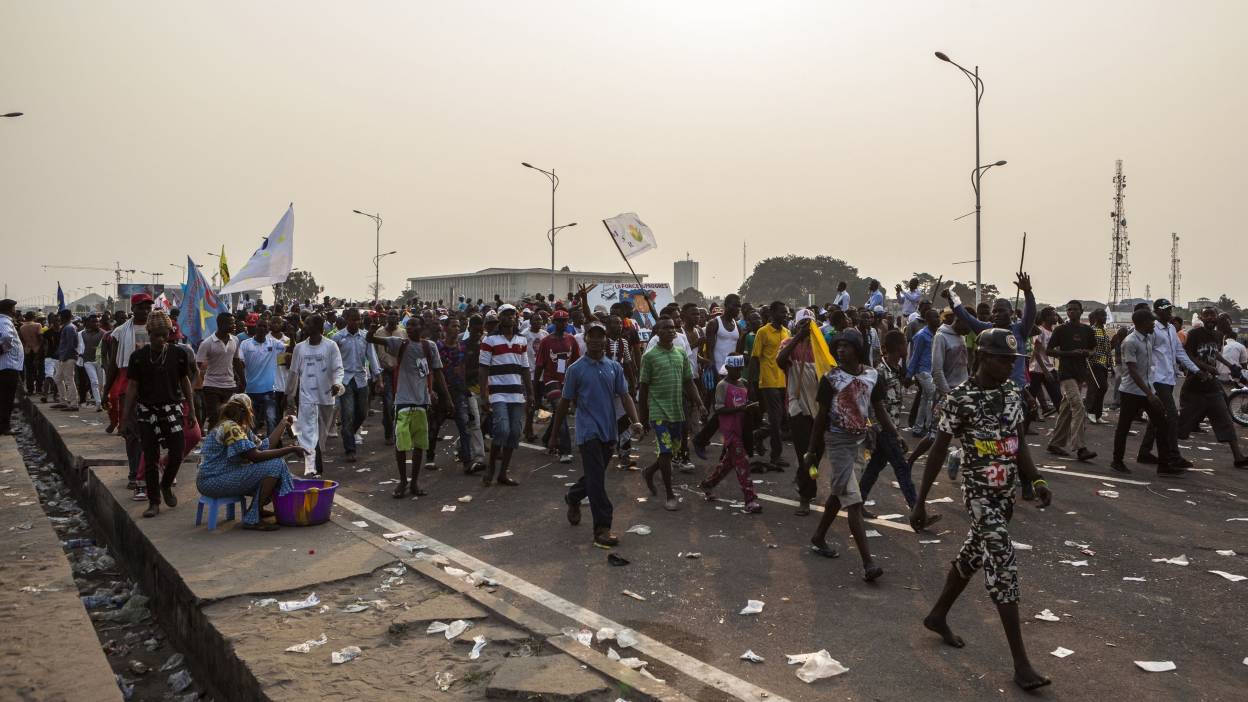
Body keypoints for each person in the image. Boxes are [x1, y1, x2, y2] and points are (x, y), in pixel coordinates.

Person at [909, 328, 1053, 692]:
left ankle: (938, 615)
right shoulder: (960, 398)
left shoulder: (1011, 393)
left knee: (972, 556)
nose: (1009, 366)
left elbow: (1018, 443)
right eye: (1002, 359)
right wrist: (920, 500)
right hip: (979, 497)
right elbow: (939, 449)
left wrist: (1035, 481)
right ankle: (1021, 664)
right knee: (1002, 565)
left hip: (1004, 498)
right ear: (983, 357)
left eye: (1012, 360)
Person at [549, 322, 645, 548]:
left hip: (608, 431)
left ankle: (573, 496)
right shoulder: (576, 369)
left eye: (600, 337)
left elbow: (625, 395)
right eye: (591, 337)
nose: (596, 341)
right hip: (587, 431)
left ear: (605, 341)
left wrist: (636, 420)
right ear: (586, 341)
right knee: (598, 482)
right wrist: (554, 434)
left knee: (594, 477)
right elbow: (564, 403)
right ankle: (602, 528)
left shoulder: (614, 367)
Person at [803, 330, 885, 582]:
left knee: (840, 494)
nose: (840, 351)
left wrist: (893, 434)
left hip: (859, 443)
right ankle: (868, 564)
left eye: (846, 346)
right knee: (854, 501)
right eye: (837, 346)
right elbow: (820, 417)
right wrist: (811, 451)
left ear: (857, 349)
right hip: (837, 443)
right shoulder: (831, 378)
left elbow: (879, 408)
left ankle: (818, 537)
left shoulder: (872, 375)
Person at [120, 311, 197, 518]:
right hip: (147, 411)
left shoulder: (178, 354)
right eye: (157, 335)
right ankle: (154, 502)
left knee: (178, 450)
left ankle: (166, 485)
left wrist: (192, 410)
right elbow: (132, 388)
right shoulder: (138, 357)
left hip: (172, 408)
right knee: (151, 456)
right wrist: (124, 418)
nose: (161, 339)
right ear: (149, 334)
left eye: (165, 335)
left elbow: (185, 382)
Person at [367, 316, 452, 497]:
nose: (411, 328)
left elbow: (437, 373)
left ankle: (414, 482)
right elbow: (372, 339)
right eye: (409, 325)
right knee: (401, 443)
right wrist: (371, 330)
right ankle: (403, 481)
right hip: (403, 401)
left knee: (420, 444)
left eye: (415, 325)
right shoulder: (399, 344)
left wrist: (447, 398)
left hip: (422, 401)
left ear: (422, 328)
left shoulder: (430, 347)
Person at [196, 394, 304, 530]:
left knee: (274, 464)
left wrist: (282, 424)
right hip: (212, 480)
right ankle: (253, 518)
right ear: (247, 411)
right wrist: (291, 449)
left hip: (216, 477)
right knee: (275, 465)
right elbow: (255, 456)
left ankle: (256, 510)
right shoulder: (230, 427)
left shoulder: (239, 427)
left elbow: (264, 446)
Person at [859, 329, 932, 519]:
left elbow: (905, 384)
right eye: (904, 344)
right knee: (902, 467)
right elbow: (879, 407)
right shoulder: (880, 372)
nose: (907, 347)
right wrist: (895, 434)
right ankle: (917, 511)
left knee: (875, 466)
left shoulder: (896, 368)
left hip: (891, 425)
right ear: (899, 347)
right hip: (884, 428)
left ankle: (857, 502)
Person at [639, 318, 706, 511]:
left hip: (677, 411)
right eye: (665, 328)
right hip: (658, 412)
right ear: (657, 332)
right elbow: (643, 390)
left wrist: (700, 403)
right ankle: (669, 494)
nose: (670, 330)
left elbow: (689, 382)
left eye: (673, 328)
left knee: (672, 451)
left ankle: (649, 472)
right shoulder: (649, 357)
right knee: (666, 452)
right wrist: (642, 420)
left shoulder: (680, 354)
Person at [777, 308, 834, 515]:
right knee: (805, 452)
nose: (808, 328)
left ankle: (803, 478)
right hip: (797, 404)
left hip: (818, 407)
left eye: (811, 325)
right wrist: (798, 338)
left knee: (817, 451)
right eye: (803, 324)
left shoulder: (820, 348)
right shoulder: (788, 345)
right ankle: (805, 496)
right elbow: (780, 361)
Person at [1176, 307, 1248, 467]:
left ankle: (1238, 457)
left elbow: (1215, 353)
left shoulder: (1218, 335)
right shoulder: (1194, 334)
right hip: (1194, 385)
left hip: (1212, 386)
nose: (1210, 318)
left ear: (1216, 318)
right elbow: (1188, 355)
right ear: (1202, 317)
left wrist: (1231, 366)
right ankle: (1171, 454)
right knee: (1182, 425)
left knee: (1225, 420)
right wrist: (1206, 368)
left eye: (1212, 315)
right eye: (1206, 315)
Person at [1136, 299, 1199, 470]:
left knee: (1157, 417)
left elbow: (1179, 352)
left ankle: (1144, 452)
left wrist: (1195, 369)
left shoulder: (1171, 328)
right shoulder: (1153, 329)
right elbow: (1144, 352)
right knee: (1171, 416)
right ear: (1157, 311)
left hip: (1169, 378)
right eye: (1165, 309)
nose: (1169, 312)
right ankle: (1173, 455)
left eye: (1170, 308)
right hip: (1157, 379)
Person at [103, 293, 155, 498]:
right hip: (128, 384)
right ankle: (134, 474)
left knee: (153, 432)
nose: (145, 311)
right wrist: (107, 389)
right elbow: (114, 364)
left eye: (148, 307)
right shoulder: (120, 332)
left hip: (154, 384)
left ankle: (151, 473)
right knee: (132, 432)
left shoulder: (158, 328)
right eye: (141, 307)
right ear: (133, 309)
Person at [697, 355, 761, 512]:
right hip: (730, 429)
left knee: (729, 464)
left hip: (742, 428)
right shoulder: (722, 386)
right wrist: (741, 409)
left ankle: (708, 484)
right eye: (735, 369)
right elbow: (719, 408)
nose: (738, 372)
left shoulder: (743, 384)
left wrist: (750, 407)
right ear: (728, 369)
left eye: (740, 369)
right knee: (743, 463)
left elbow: (745, 403)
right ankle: (750, 499)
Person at [479, 304, 533, 486]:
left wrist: (530, 392)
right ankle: (492, 467)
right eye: (506, 315)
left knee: (515, 433)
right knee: (502, 429)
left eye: (513, 314)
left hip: (516, 392)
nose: (510, 317)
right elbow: (483, 368)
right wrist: (484, 394)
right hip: (498, 392)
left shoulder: (521, 340)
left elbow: (525, 368)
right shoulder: (490, 340)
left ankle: (503, 472)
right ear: (500, 318)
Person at [1110, 308, 1168, 473]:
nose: (1154, 325)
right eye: (1151, 321)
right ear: (1143, 323)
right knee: (1124, 427)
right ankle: (1117, 461)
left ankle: (1164, 464)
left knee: (1162, 424)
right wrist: (1150, 395)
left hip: (1146, 390)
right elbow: (1133, 370)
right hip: (1131, 392)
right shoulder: (1130, 342)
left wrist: (1150, 391)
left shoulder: (1147, 339)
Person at [287, 314, 345, 476]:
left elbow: (338, 368)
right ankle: (312, 468)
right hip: (306, 397)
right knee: (308, 433)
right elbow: (293, 373)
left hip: (326, 397)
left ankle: (316, 461)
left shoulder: (331, 346)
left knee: (320, 435)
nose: (304, 326)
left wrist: (337, 384)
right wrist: (289, 395)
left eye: (307, 324)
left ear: (318, 328)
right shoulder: (299, 348)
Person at [1045, 300, 1097, 461]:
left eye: (1075, 309)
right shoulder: (1061, 330)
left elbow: (1093, 349)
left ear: (1082, 311)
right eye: (1069, 310)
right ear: (1066, 312)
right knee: (1079, 406)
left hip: (1080, 373)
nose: (1072, 312)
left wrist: (1087, 353)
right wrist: (1069, 354)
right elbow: (1049, 350)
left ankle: (1055, 443)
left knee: (1067, 408)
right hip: (1066, 374)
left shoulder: (1087, 330)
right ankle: (1080, 448)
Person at [333, 308, 380, 463]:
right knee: (347, 414)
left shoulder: (366, 336)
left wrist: (378, 377)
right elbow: (333, 361)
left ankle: (348, 432)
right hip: (344, 381)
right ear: (346, 320)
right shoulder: (338, 337)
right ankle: (350, 449)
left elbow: (372, 358)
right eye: (353, 319)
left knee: (362, 413)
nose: (356, 322)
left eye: (358, 319)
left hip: (361, 378)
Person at [749, 301, 791, 470]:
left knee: (781, 419)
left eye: (787, 313)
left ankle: (758, 435)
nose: (786, 315)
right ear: (772, 314)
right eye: (782, 312)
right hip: (768, 381)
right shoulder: (763, 332)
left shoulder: (787, 332)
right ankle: (776, 456)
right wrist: (751, 384)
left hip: (783, 381)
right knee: (775, 418)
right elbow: (754, 358)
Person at [535, 309, 580, 463]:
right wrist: (536, 390)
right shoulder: (546, 341)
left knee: (558, 412)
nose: (562, 323)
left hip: (566, 381)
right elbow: (539, 365)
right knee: (561, 408)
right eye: (559, 321)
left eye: (564, 320)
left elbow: (576, 363)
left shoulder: (571, 340)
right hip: (551, 380)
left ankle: (548, 437)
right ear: (553, 322)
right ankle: (565, 450)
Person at [237, 316, 285, 435]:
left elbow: (289, 348)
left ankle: (272, 449)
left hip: (269, 390)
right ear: (255, 327)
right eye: (260, 325)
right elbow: (239, 363)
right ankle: (253, 448)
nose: (262, 328)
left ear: (268, 329)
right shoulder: (245, 344)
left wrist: (292, 335)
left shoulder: (274, 343)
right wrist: (241, 381)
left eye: (265, 326)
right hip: (251, 390)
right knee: (252, 422)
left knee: (271, 420)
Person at [195, 312, 242, 429]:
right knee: (215, 417)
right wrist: (196, 387)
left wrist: (242, 379)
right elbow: (197, 365)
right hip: (211, 386)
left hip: (230, 385)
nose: (234, 326)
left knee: (230, 418)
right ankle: (212, 444)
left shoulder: (235, 340)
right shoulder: (207, 343)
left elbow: (236, 361)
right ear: (221, 324)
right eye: (232, 323)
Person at [373, 310, 405, 446]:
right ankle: (388, 432)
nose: (393, 317)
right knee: (387, 402)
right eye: (390, 315)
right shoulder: (379, 333)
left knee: (397, 404)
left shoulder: (403, 332)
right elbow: (373, 353)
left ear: (398, 318)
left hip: (399, 372)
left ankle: (394, 426)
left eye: (395, 315)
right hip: (384, 371)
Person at [906, 308, 941, 436]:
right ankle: (929, 427)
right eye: (935, 317)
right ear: (927, 320)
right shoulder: (921, 335)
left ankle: (918, 428)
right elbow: (915, 356)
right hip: (922, 371)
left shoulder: (937, 333)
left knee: (925, 399)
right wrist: (909, 374)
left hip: (931, 371)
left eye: (938, 316)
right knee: (933, 396)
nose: (938, 319)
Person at [1084, 309, 1112, 424]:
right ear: (1096, 317)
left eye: (1105, 315)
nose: (1105, 318)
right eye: (1103, 316)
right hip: (1094, 363)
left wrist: (1110, 362)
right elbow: (1087, 347)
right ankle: (1090, 411)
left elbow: (1107, 349)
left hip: (1104, 364)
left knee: (1102, 388)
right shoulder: (1092, 330)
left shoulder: (1104, 331)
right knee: (1097, 387)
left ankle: (1097, 414)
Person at [0, 300, 22, 436]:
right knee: (6, 398)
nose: (15, 310)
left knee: (4, 397)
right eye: (14, 308)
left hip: (7, 365)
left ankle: (3, 425)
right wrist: (3, 349)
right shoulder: (4, 321)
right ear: (9, 309)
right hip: (9, 366)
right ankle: (4, 427)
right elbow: (7, 337)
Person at [54, 309, 81, 411]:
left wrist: (64, 357)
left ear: (64, 317)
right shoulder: (68, 327)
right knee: (58, 379)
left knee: (69, 380)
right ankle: (63, 401)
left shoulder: (69, 328)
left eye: (60, 316)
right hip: (64, 357)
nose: (58, 318)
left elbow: (71, 345)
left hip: (68, 357)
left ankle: (74, 404)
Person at [79, 315, 104, 410]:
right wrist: (81, 354)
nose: (96, 323)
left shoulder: (103, 334)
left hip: (99, 361)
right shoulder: (83, 334)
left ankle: (103, 400)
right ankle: (98, 403)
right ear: (89, 323)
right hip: (88, 361)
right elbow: (80, 346)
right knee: (94, 382)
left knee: (102, 384)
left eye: (97, 321)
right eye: (93, 322)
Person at [19, 311, 43, 396]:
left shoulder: (22, 327)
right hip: (37, 350)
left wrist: (26, 345)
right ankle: (39, 389)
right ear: (34, 317)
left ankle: (30, 389)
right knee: (39, 370)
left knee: (29, 371)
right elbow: (40, 338)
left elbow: (21, 339)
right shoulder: (38, 325)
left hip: (27, 350)